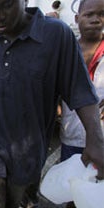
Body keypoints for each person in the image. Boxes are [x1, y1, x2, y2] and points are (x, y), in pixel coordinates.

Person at [0, 0, 104, 207]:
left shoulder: (56, 35)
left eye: (6, 5)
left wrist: (95, 139)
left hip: (27, 157)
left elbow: (80, 91)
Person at [59, 1, 104, 207]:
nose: (96, 19)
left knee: (96, 192)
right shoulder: (66, 51)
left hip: (101, 137)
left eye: (102, 14)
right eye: (89, 14)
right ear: (77, 19)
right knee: (71, 189)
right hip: (71, 136)